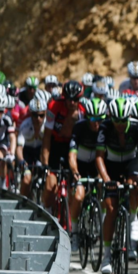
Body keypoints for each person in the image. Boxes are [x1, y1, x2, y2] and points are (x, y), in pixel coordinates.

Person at [96, 98, 138, 274]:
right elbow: (99, 156)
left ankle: (133, 218)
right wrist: (107, 180)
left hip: (131, 161)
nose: (119, 124)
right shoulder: (105, 127)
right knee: (111, 209)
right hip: (111, 164)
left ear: (129, 118)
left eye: (123, 121)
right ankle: (106, 256)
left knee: (133, 186)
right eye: (116, 120)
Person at [67, 98, 108, 250]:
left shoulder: (107, 128)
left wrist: (103, 175)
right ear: (86, 117)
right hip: (81, 166)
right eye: (92, 119)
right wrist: (75, 172)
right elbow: (72, 155)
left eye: (100, 120)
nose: (96, 124)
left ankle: (101, 225)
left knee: (105, 191)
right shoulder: (79, 127)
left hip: (98, 167)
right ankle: (74, 233)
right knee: (78, 196)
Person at [41, 81, 85, 216]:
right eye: (69, 99)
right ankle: (47, 210)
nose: (72, 103)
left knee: (73, 185)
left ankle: (70, 218)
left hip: (73, 145)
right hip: (55, 143)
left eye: (75, 100)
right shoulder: (54, 106)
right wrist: (45, 163)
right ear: (63, 97)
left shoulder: (83, 110)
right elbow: (47, 136)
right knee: (51, 186)